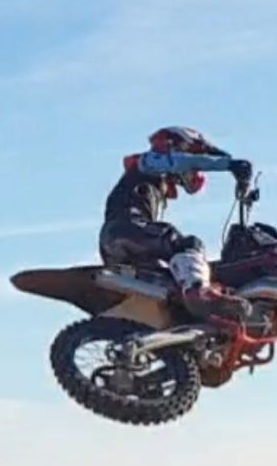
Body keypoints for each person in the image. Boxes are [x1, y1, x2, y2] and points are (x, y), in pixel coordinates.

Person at [100, 125, 255, 329]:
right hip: (127, 228)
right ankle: (198, 293)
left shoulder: (152, 179)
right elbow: (179, 162)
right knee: (188, 244)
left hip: (117, 240)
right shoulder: (147, 162)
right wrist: (227, 164)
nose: (193, 172)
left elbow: (186, 167)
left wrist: (231, 168)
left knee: (170, 279)